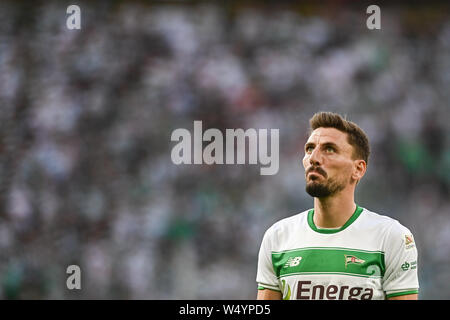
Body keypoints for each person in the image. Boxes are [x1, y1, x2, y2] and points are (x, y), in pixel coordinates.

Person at [256, 112, 419, 300]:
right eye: (309, 149)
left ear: (358, 169)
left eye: (329, 149)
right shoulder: (277, 237)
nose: (314, 158)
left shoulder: (391, 237)